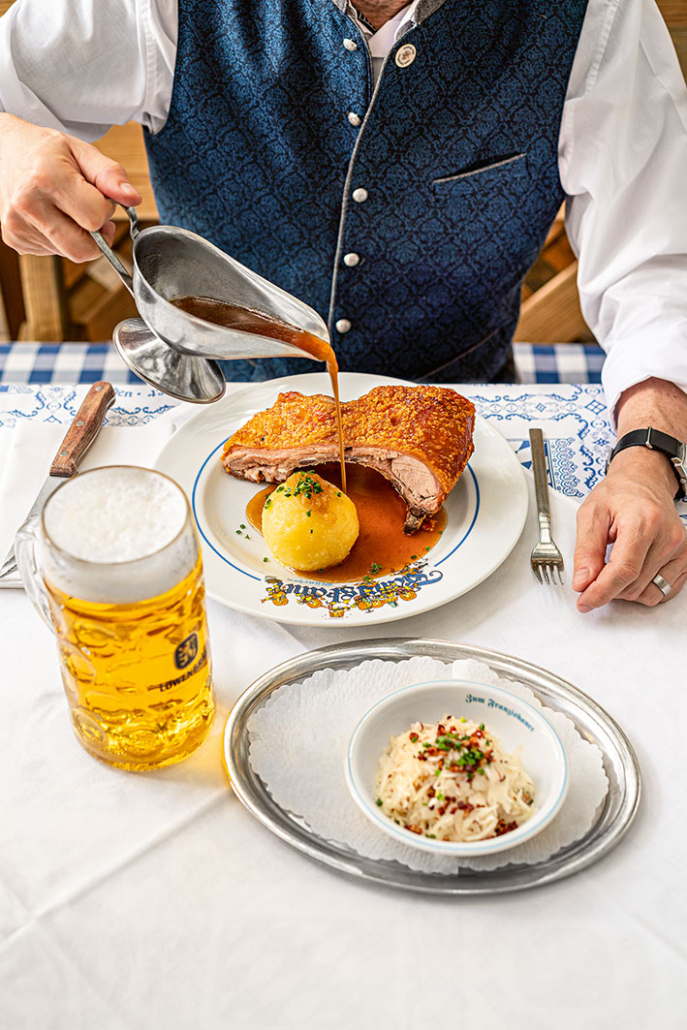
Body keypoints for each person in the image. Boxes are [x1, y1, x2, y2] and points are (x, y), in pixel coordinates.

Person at [0, 0, 686, 612]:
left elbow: (658, 272)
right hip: (199, 420)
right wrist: (13, 148)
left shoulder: (596, 14)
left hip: (475, 455)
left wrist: (647, 458)